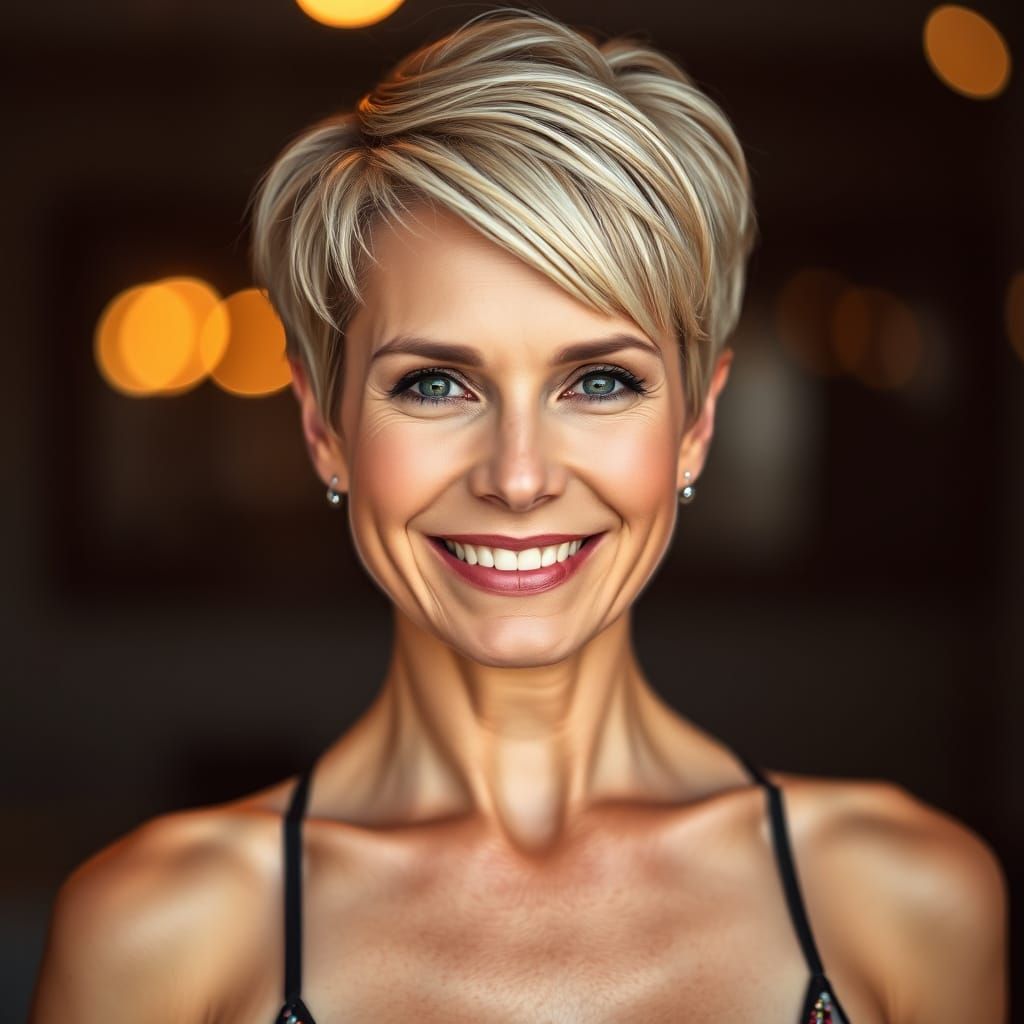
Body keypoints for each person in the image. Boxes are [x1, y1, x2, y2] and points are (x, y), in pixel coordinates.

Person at [29, 7, 1007, 1023]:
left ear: (696, 424)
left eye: (596, 381)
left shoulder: (904, 901)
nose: (519, 474)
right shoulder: (158, 936)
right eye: (434, 386)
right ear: (322, 427)